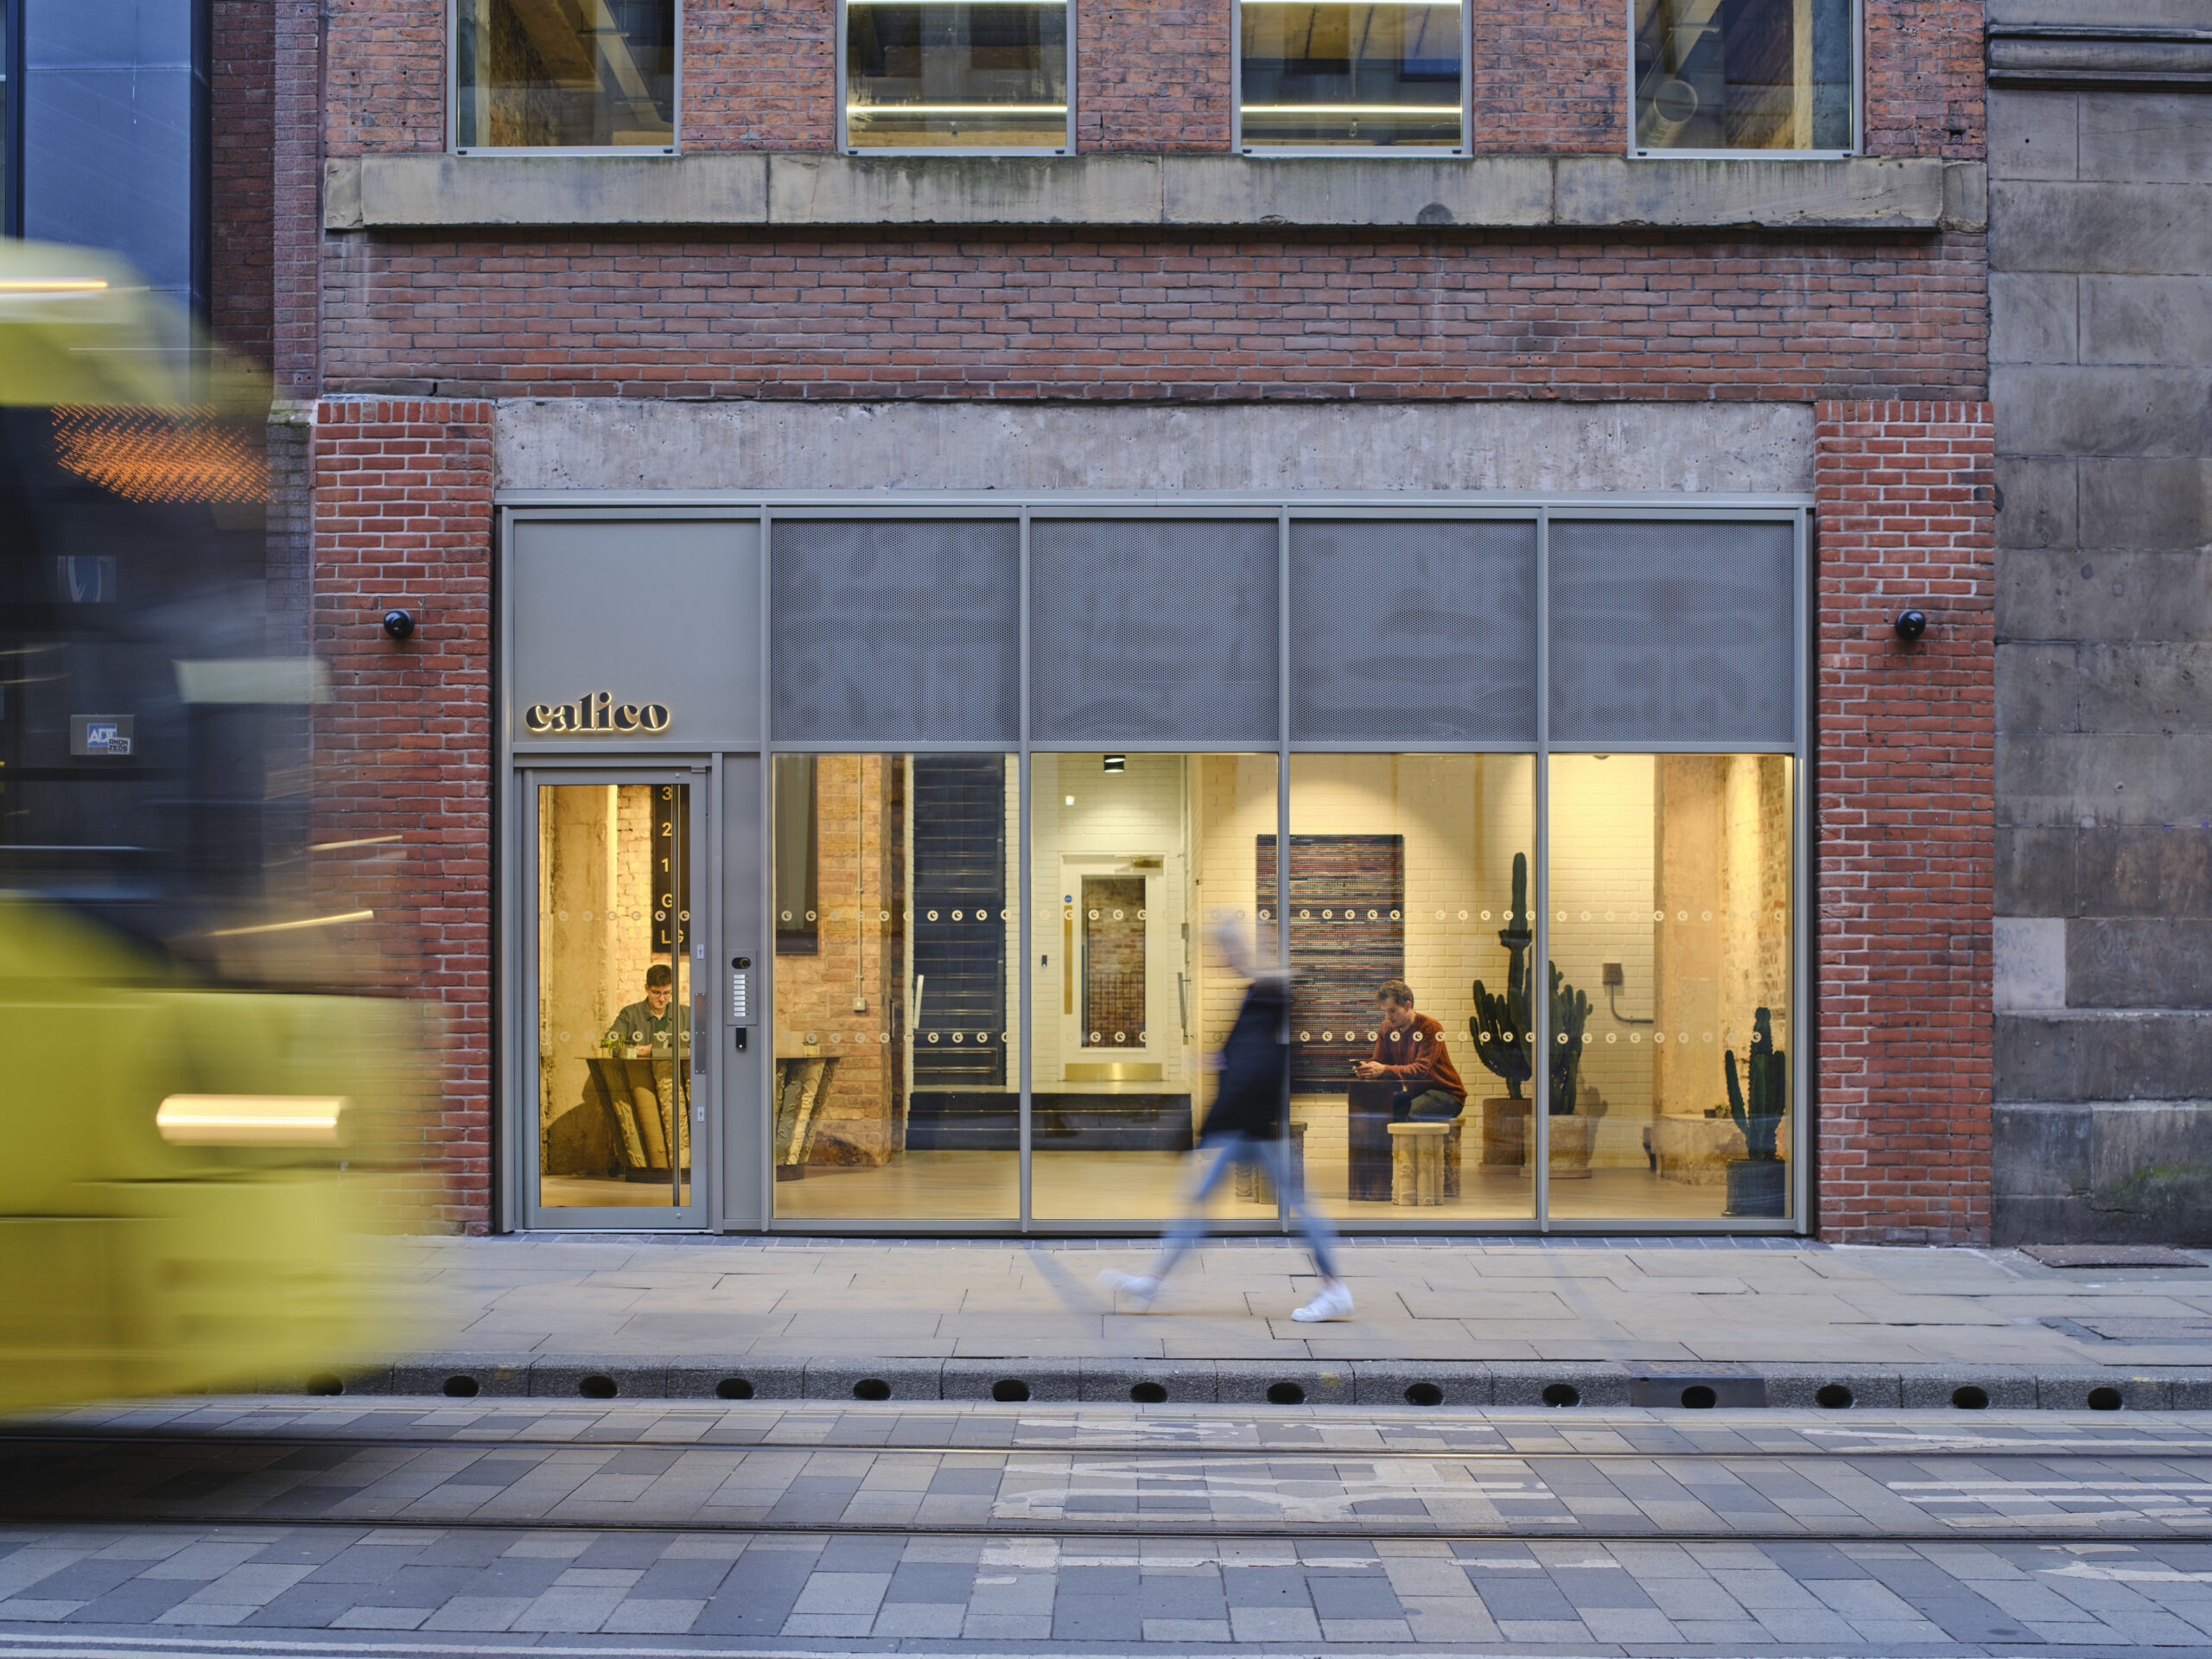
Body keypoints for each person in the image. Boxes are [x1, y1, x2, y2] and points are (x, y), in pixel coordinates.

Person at [1098, 923, 1352, 1323]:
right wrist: (1217, 1060)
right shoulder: (1257, 992)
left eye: (1223, 951)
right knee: (1201, 1199)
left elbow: (1261, 1056)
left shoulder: (1270, 991)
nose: (1219, 960)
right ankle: (1153, 1282)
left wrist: (1220, 1109)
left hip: (1253, 1121)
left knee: (1298, 1206)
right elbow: (1251, 1051)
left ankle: (1335, 1289)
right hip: (1243, 1121)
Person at [604, 963, 689, 1170]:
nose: (662, 999)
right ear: (646, 988)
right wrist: (638, 1050)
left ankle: (682, 1165)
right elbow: (609, 1043)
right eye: (656, 993)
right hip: (641, 1086)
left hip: (677, 1087)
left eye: (667, 993)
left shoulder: (685, 1014)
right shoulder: (631, 1014)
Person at [1355, 978, 1466, 1122]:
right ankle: (1387, 1146)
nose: (1388, 1017)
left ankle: (1409, 1146)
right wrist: (1368, 1069)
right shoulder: (1386, 1027)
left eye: (1392, 1011)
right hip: (1417, 1093)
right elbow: (1380, 1061)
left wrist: (1382, 1069)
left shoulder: (1430, 1027)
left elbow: (1421, 1070)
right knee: (1379, 1112)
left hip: (1447, 1094)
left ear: (1408, 1005)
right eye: (1385, 1012)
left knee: (1408, 1116)